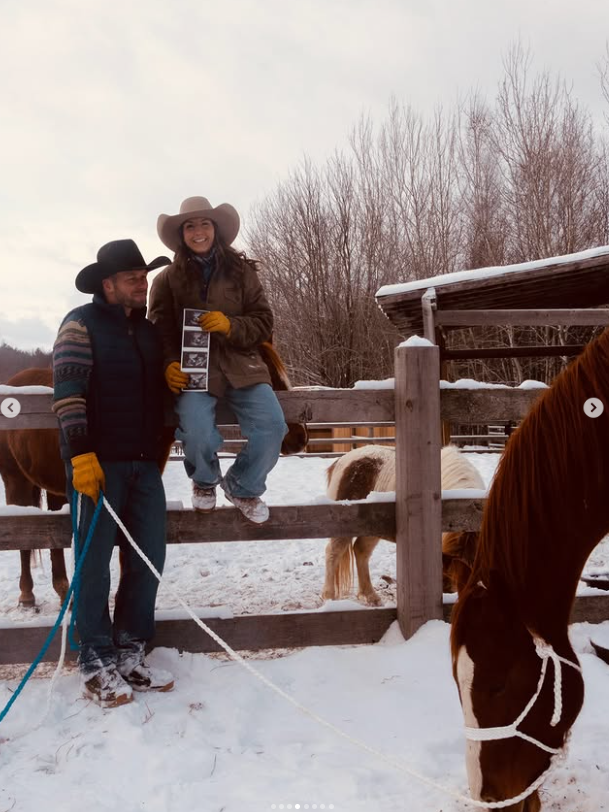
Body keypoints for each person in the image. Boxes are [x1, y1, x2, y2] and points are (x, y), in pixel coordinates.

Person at [53, 239, 174, 708]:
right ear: (108, 284)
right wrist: (80, 454)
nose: (141, 285)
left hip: (145, 464)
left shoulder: (147, 332)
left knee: (148, 559)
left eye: (144, 277)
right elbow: (66, 392)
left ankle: (130, 650)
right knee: (94, 562)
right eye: (132, 279)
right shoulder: (79, 326)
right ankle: (95, 659)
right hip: (98, 465)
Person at [149, 196, 288, 524]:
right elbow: (158, 330)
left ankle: (243, 485)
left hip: (244, 366)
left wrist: (231, 325)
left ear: (216, 229)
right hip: (193, 368)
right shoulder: (166, 279)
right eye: (190, 226)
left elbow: (264, 320)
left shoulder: (243, 272)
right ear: (182, 234)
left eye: (205, 224)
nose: (198, 231)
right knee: (196, 430)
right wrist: (167, 364)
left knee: (272, 427)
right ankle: (205, 480)